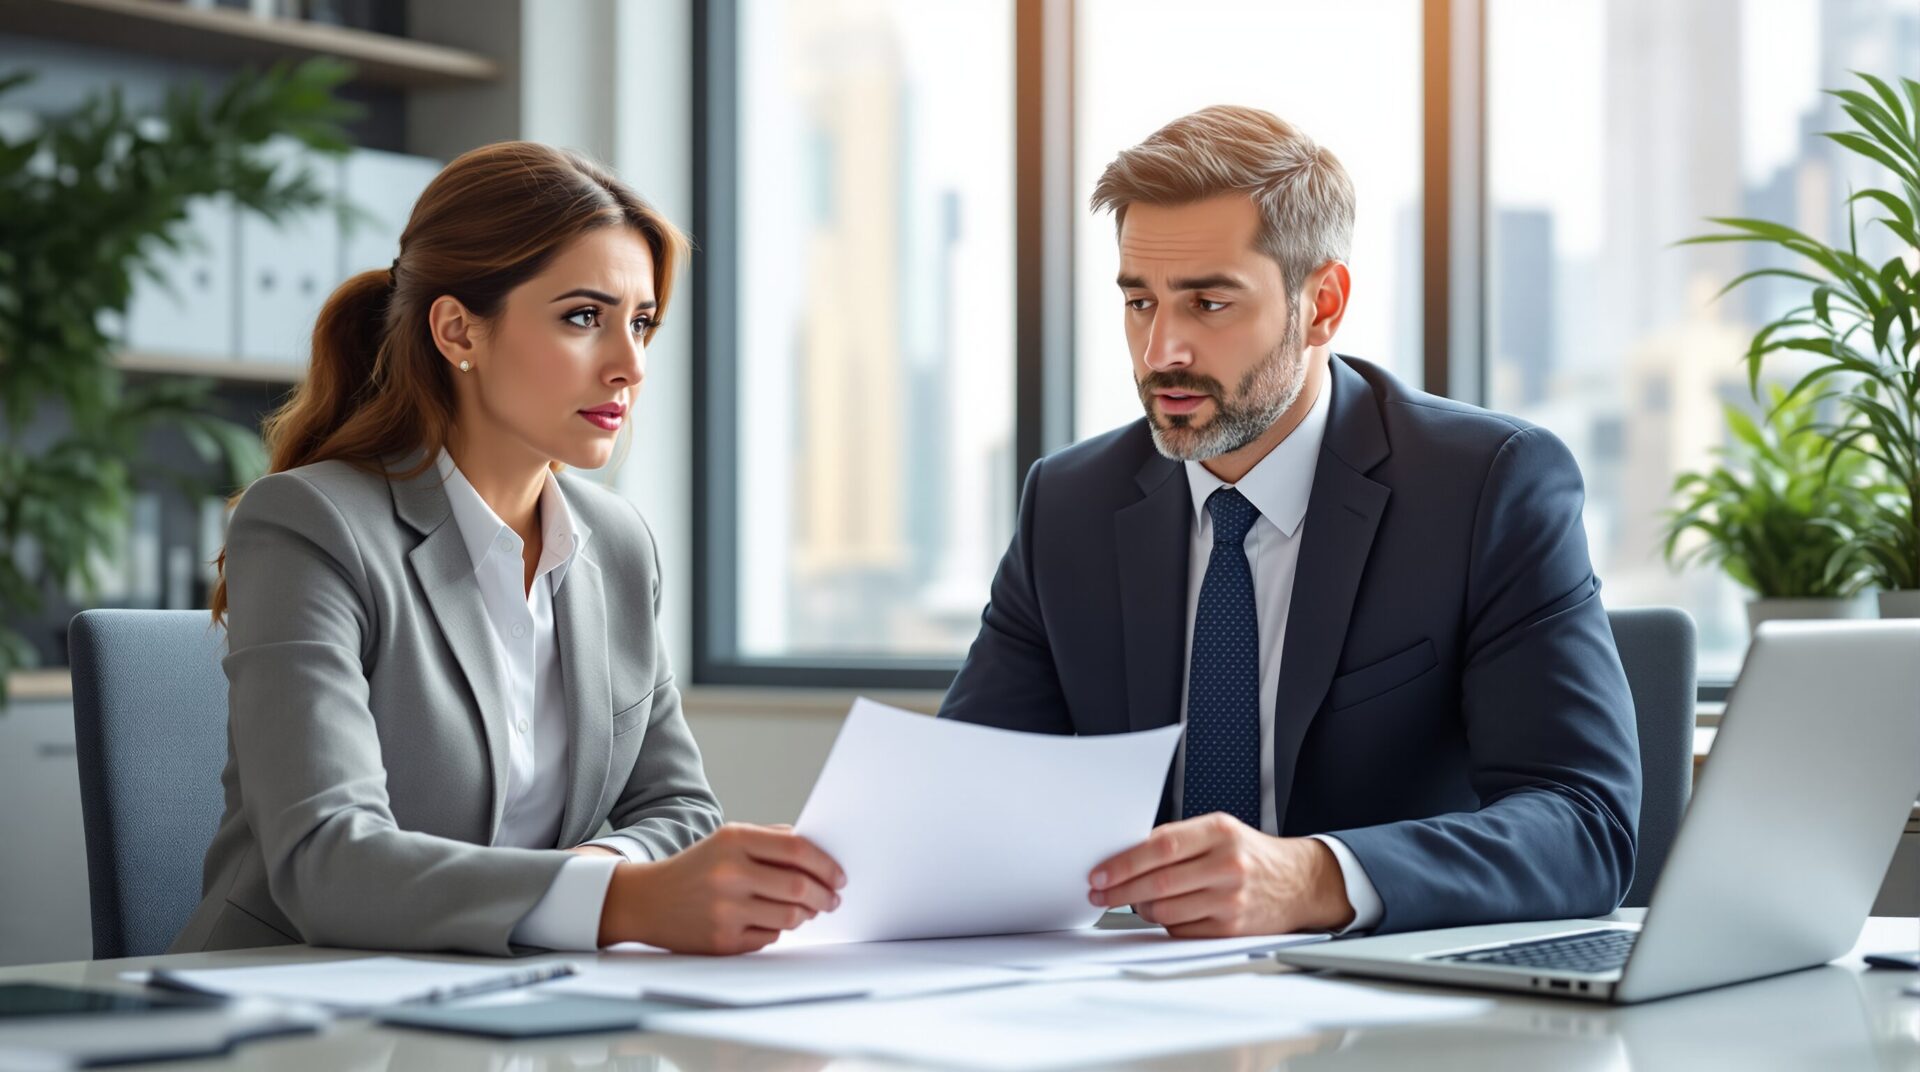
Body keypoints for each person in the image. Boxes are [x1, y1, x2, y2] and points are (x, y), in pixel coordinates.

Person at [939, 105, 1641, 937]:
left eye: (1208, 303)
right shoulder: (1070, 505)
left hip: (1386, 991)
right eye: (1139, 302)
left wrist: (1313, 878)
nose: (1161, 351)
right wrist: (829, 869)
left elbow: (1584, 825)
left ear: (1322, 304)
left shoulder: (1485, 487)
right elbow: (963, 803)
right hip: (1134, 984)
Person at [178, 142, 843, 957]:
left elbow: (680, 810)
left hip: (509, 995)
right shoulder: (311, 523)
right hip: (289, 995)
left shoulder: (619, 544)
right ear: (458, 330)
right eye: (584, 317)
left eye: (641, 323)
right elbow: (327, 860)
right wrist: (621, 901)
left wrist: (596, 878)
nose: (630, 365)